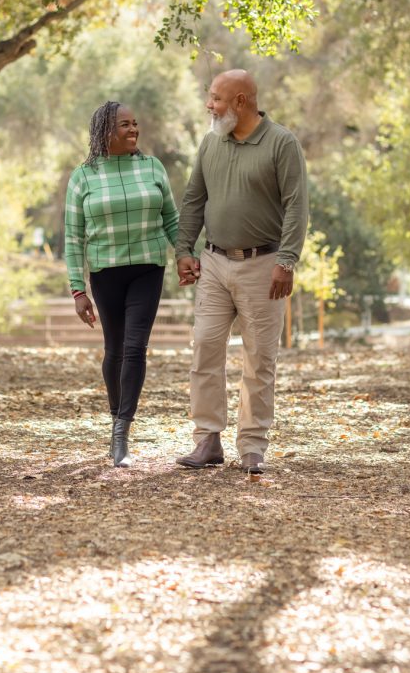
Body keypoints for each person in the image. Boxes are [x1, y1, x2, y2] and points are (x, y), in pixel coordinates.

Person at [175, 69, 308, 474]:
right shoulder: (211, 142)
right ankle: (207, 441)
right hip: (214, 262)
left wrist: (286, 261)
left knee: (260, 359)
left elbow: (297, 206)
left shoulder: (281, 143)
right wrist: (184, 249)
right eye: (209, 96)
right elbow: (194, 198)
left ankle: (252, 446)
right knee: (205, 349)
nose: (209, 104)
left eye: (216, 98)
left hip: (264, 266)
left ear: (241, 103)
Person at [64, 101, 178, 467]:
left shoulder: (152, 167)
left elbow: (171, 219)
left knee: (135, 348)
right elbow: (72, 237)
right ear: (104, 132)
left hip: (148, 266)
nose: (133, 130)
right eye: (124, 125)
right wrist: (78, 290)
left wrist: (186, 254)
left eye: (135, 123)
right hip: (106, 271)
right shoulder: (84, 176)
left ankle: (121, 433)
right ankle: (116, 417)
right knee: (114, 349)